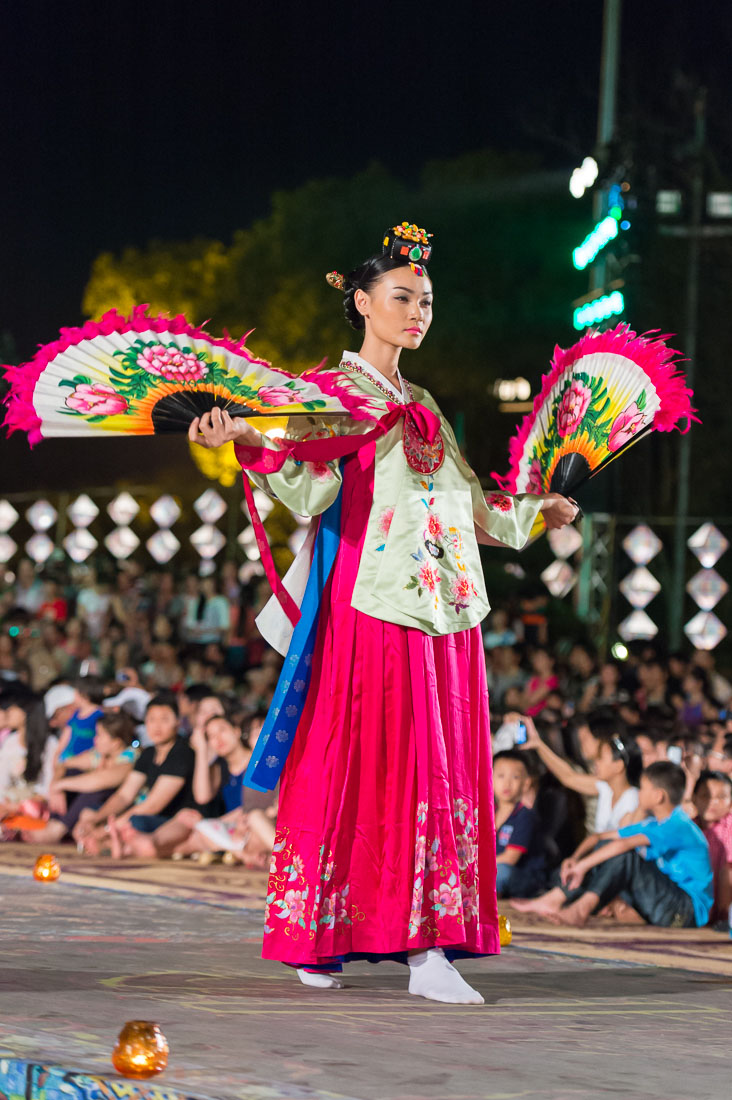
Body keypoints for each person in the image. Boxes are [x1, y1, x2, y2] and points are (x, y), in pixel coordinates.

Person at [188, 222, 578, 1004]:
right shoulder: (327, 395)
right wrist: (253, 446)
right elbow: (310, 492)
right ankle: (340, 936)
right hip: (370, 609)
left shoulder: (426, 402)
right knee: (360, 767)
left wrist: (542, 513)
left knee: (437, 773)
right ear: (362, 303)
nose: (417, 312)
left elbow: (475, 510)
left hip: (448, 617)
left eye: (426, 300)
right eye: (402, 297)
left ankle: (426, 943)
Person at [513, 762, 713, 929]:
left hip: (685, 912)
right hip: (665, 901)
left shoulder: (679, 825)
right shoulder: (655, 824)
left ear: (658, 796)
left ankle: (581, 909)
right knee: (609, 847)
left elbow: (625, 846)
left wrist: (583, 866)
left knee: (626, 854)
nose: (639, 793)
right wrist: (575, 859)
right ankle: (557, 897)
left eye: (643, 788)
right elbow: (599, 838)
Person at [73, 693, 194, 853]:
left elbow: (153, 806)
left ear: (177, 723)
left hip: (172, 819)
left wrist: (107, 828)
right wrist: (96, 820)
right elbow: (124, 795)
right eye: (152, 720)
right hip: (144, 815)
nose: (157, 726)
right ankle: (105, 842)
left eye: (164, 720)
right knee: (89, 813)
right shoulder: (149, 753)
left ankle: (109, 844)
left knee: (134, 823)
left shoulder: (181, 753)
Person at [515, 712, 641, 834]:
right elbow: (568, 776)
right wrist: (538, 744)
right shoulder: (605, 786)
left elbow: (569, 777)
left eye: (585, 738)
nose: (596, 762)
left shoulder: (630, 797)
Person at [23, 711, 137, 844]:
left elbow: (101, 780)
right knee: (71, 773)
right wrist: (56, 786)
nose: (95, 740)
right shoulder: (99, 755)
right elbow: (63, 764)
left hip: (119, 810)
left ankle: (58, 829)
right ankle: (53, 824)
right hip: (95, 808)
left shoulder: (130, 758)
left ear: (115, 743)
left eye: (99, 735)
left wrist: (60, 785)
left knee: (97, 789)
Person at [0, 689, 58, 829]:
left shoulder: (50, 744)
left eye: (14, 708)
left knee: (31, 808)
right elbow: (2, 780)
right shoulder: (10, 741)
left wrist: (18, 805)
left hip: (33, 804)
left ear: (26, 713)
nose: (9, 712)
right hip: (8, 803)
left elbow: (47, 787)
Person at [493, 750, 545, 898]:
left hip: (524, 877)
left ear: (526, 783)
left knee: (501, 870)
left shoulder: (525, 815)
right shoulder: (489, 814)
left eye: (515, 777)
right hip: (491, 870)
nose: (507, 783)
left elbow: (510, 858)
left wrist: (477, 867)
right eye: (501, 776)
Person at [692, 770, 732, 923]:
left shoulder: (730, 826)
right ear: (694, 798)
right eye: (705, 796)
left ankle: (723, 920)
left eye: (721, 797)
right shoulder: (689, 828)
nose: (712, 802)